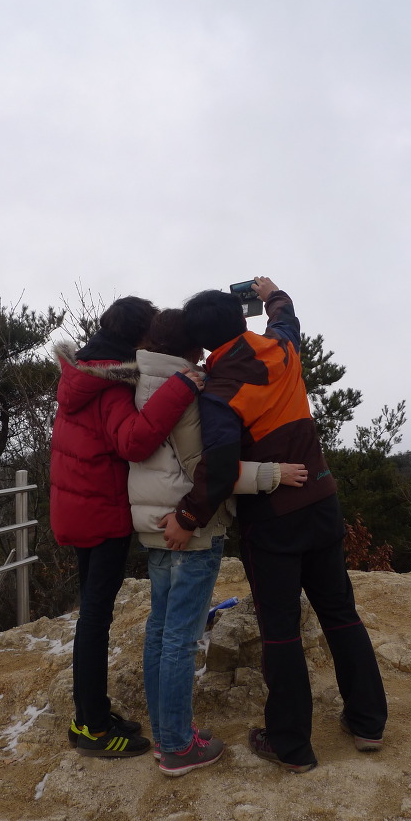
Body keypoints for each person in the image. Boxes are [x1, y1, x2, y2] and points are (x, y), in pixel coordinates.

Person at [162, 277, 387, 772]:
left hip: (272, 521)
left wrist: (187, 517)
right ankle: (368, 722)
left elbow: (220, 467)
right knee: (341, 613)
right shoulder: (282, 349)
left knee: (281, 632)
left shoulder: (219, 389)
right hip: (322, 500)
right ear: (242, 318)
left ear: (202, 343)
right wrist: (272, 293)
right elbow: (287, 319)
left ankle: (291, 744)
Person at [126, 309, 308, 777]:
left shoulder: (142, 380)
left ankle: (167, 736)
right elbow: (207, 470)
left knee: (160, 632)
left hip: (153, 523)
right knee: (180, 640)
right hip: (190, 529)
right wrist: (272, 474)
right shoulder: (186, 390)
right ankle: (178, 746)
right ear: (192, 347)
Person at [50, 295, 202, 759]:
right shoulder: (111, 385)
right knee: (96, 619)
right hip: (102, 513)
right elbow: (134, 443)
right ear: (137, 336)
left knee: (91, 614)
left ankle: (88, 714)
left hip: (76, 509)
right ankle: (93, 728)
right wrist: (181, 387)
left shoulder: (81, 375)